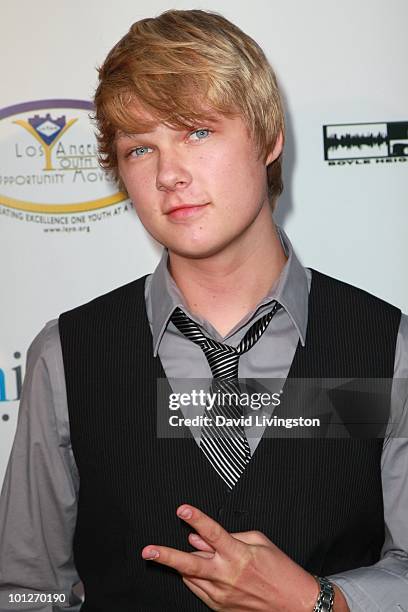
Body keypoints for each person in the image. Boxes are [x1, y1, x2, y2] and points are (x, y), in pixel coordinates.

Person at [0, 9, 407, 612]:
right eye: (141, 148)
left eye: (196, 132)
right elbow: (29, 594)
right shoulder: (67, 356)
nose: (169, 175)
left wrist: (322, 601)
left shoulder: (385, 346)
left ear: (270, 137)